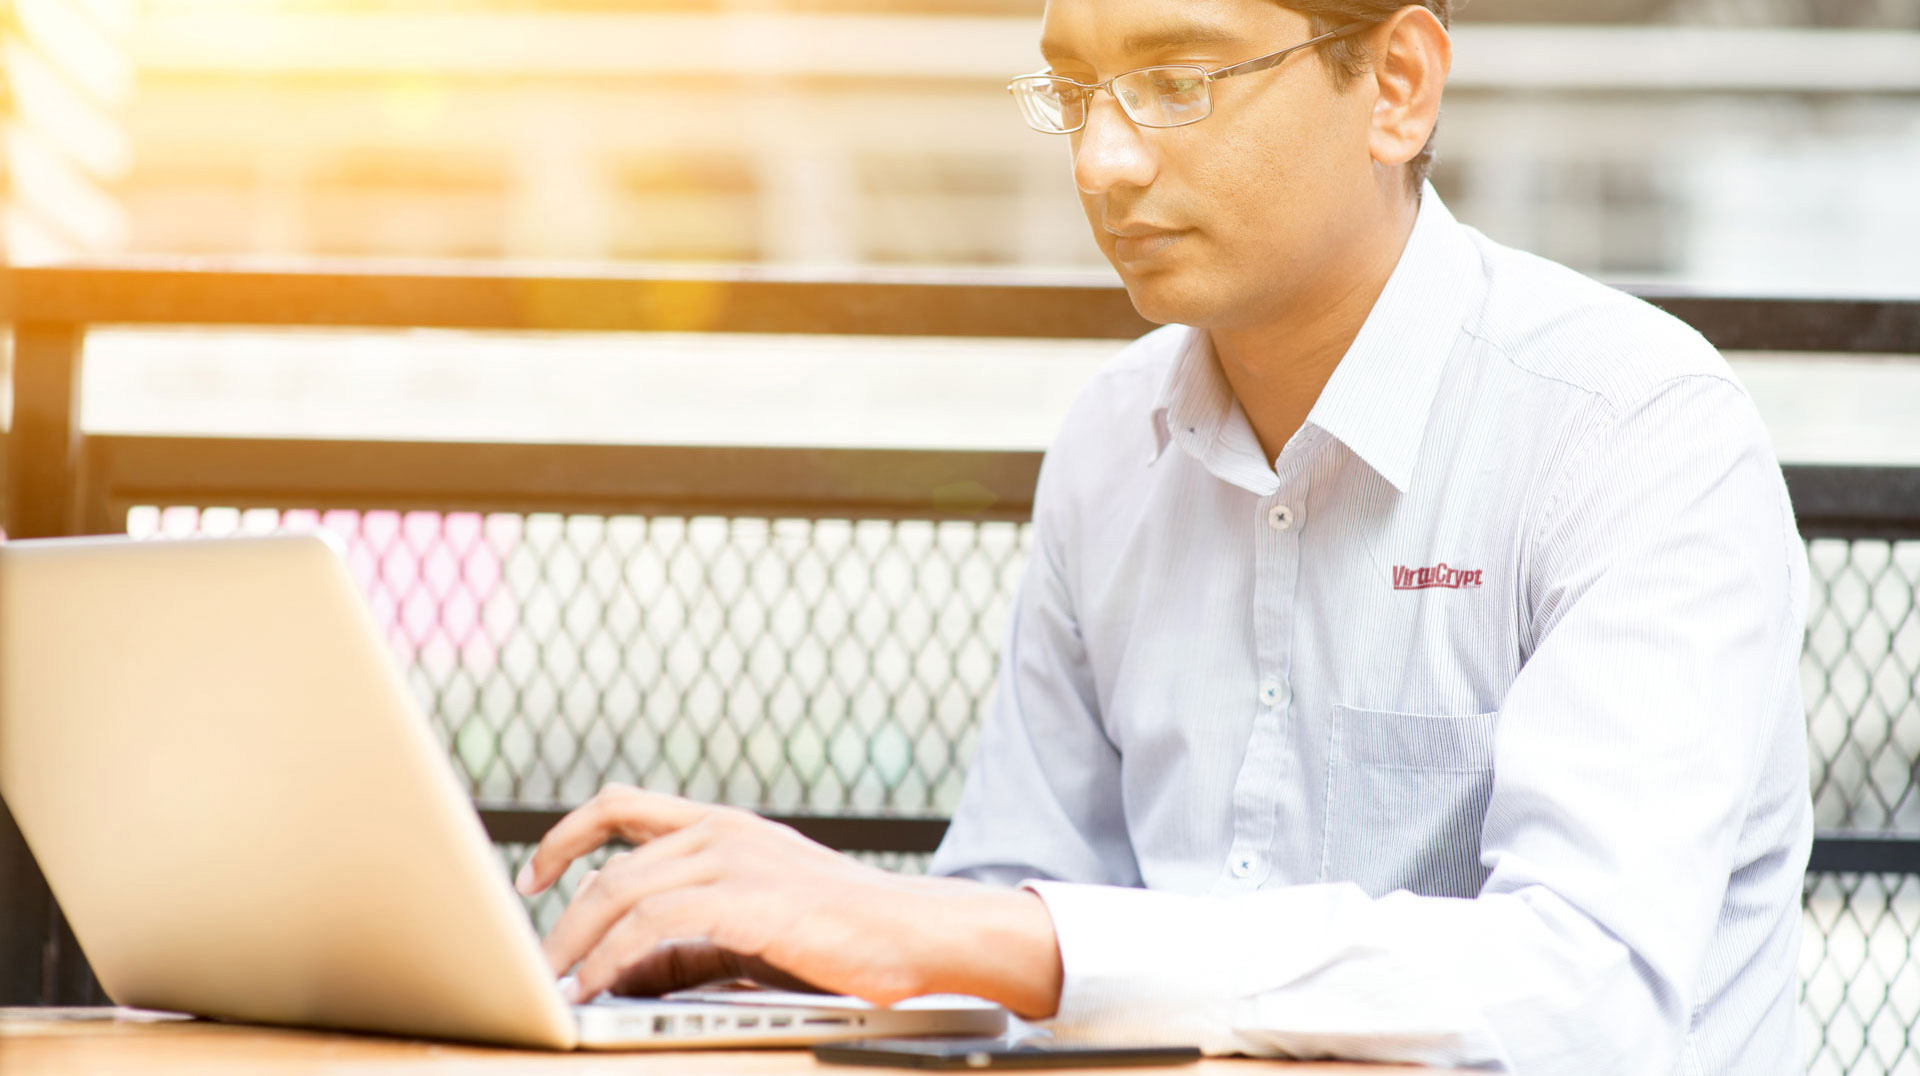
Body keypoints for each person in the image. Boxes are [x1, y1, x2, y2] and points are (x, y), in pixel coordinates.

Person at [512, 0, 1813, 1070]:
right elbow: (1017, 904)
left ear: (1397, 86)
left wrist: (993, 941)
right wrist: (792, 952)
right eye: (1073, 92)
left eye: (1179, 81)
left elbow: (1588, 1000)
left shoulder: (1633, 428)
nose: (1102, 162)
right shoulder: (1111, 439)